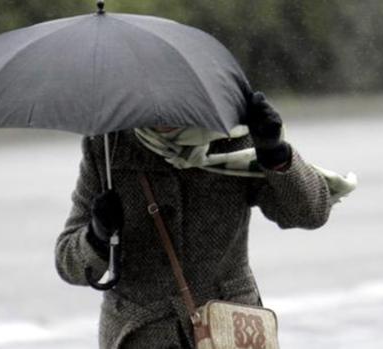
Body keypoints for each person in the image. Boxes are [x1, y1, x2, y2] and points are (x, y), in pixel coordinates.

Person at [55, 92, 334, 348]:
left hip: (228, 330)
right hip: (138, 336)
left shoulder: (234, 136)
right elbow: (69, 263)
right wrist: (97, 235)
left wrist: (277, 155)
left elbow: (310, 213)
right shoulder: (107, 146)